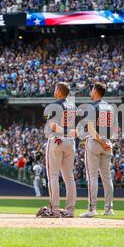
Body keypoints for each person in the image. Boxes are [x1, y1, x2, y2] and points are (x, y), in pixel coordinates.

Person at [42, 82, 77, 218]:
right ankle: (69, 210)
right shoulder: (73, 106)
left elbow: (53, 126)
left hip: (57, 140)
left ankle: (55, 210)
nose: (54, 91)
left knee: (53, 176)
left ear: (59, 91)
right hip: (70, 142)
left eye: (56, 89)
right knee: (69, 177)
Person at [80, 82, 116, 217]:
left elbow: (90, 129)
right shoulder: (110, 108)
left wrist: (101, 141)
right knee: (107, 178)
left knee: (92, 177)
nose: (90, 92)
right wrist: (106, 142)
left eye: (91, 90)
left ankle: (92, 209)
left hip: (95, 142)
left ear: (95, 91)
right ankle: (109, 209)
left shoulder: (92, 107)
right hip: (107, 142)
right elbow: (113, 128)